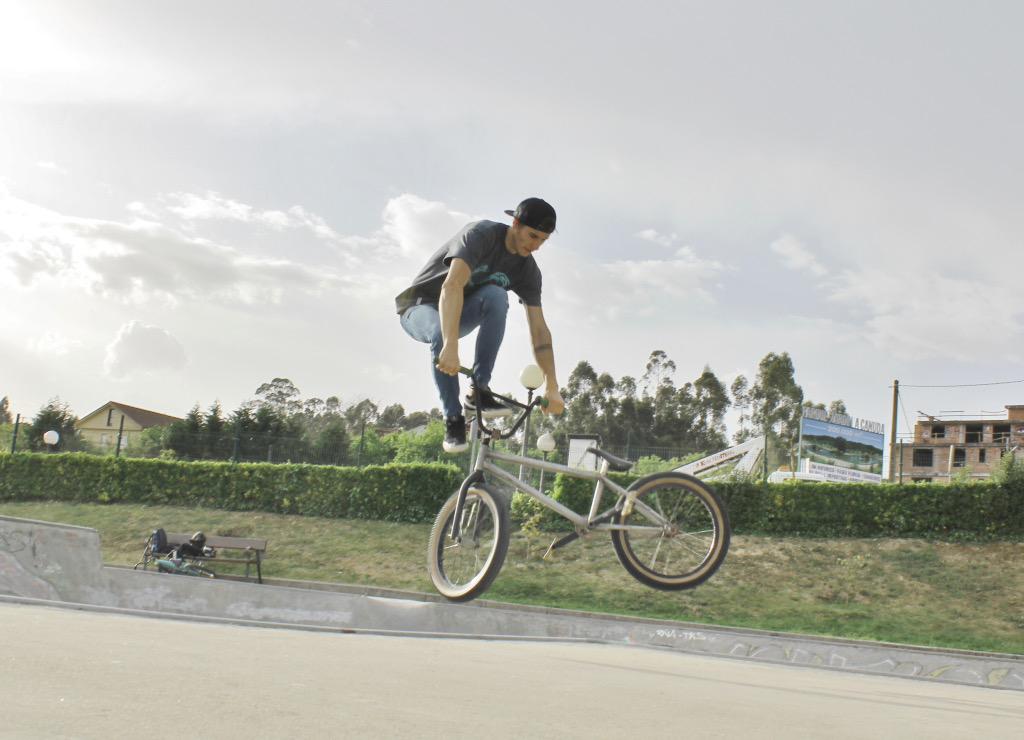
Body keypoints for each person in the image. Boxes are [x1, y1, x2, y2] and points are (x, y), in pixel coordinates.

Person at [396, 197, 565, 452]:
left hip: (460, 312)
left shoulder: (528, 271)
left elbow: (540, 332)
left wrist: (553, 386)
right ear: (515, 224)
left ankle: (479, 391)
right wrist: (451, 345)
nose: (536, 246)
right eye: (532, 236)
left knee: (497, 295)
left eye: (543, 240)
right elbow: (451, 286)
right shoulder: (481, 235)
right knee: (441, 331)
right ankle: (453, 419)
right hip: (420, 306)